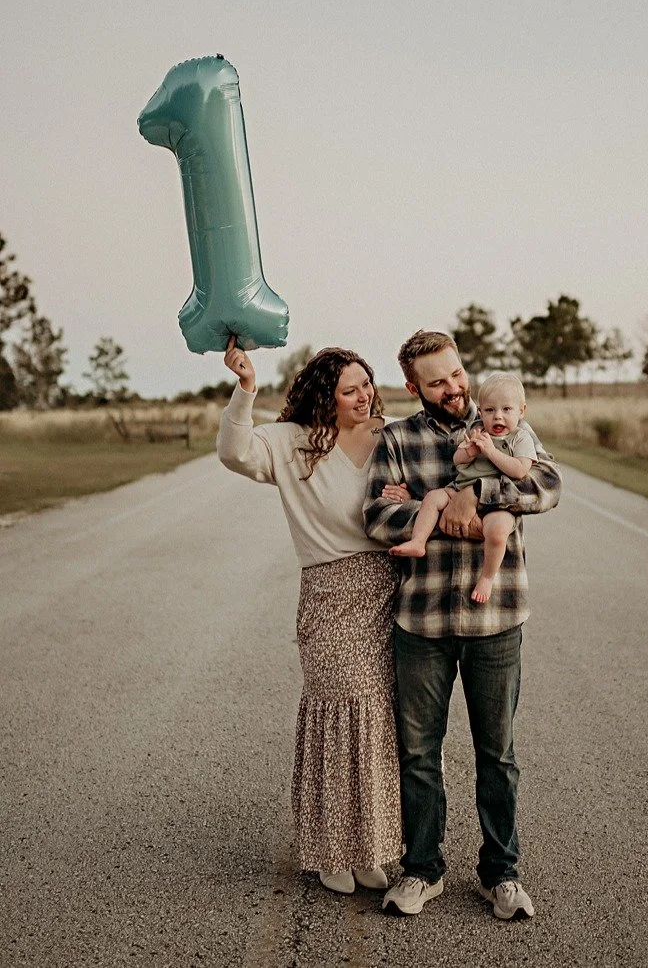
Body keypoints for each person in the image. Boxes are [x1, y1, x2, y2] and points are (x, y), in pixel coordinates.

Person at [363, 331, 561, 921]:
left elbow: (547, 485)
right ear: (412, 387)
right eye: (436, 380)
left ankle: (501, 874)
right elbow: (377, 516)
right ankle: (422, 869)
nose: (453, 388)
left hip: (495, 619)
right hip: (420, 621)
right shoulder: (397, 439)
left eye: (455, 374)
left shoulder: (504, 421)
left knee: (495, 752)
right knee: (418, 752)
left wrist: (475, 496)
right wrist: (447, 508)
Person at [217, 336, 403, 895]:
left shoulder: (389, 439)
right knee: (336, 714)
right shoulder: (294, 443)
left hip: (387, 587)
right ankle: (330, 850)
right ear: (327, 397)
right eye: (350, 390)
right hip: (327, 591)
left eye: (367, 385)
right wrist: (246, 389)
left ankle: (372, 845)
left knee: (379, 716)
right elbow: (234, 451)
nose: (364, 396)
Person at [390, 372, 538, 605]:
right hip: (457, 490)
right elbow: (458, 460)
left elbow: (520, 470)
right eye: (490, 410)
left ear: (522, 411)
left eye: (506, 410)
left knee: (498, 532)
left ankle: (487, 577)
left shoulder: (520, 438)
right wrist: (469, 451)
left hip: (495, 504)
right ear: (480, 412)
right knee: (433, 497)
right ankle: (419, 541)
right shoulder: (477, 431)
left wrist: (490, 452)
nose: (497, 417)